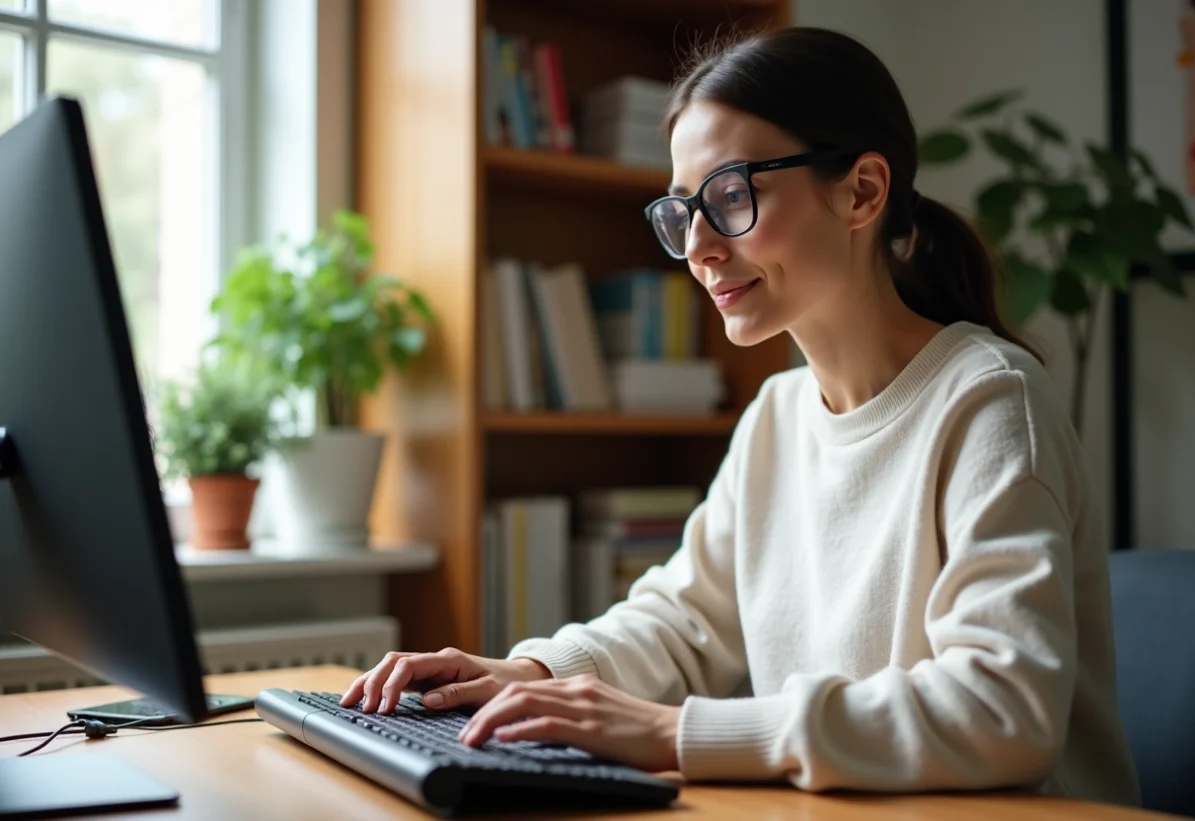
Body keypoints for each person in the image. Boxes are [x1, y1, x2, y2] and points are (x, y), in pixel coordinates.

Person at [343, 26, 1141, 805]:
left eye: (731, 196)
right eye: (683, 210)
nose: (698, 245)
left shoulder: (990, 398)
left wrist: (676, 733)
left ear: (862, 190)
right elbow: (685, 620)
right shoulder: (776, 415)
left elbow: (1003, 710)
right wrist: (531, 674)